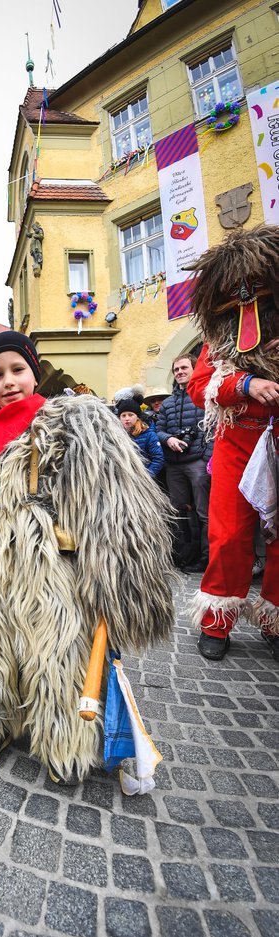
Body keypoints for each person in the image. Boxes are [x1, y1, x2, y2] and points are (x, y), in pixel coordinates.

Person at [0, 331, 174, 783]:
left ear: (33, 372)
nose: (8, 381)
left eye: (17, 370)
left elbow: (108, 496)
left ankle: (63, 740)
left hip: (52, 560)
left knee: (55, 648)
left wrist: (110, 571)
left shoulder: (68, 422)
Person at [186, 224, 279, 663]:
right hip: (235, 445)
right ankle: (217, 623)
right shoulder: (217, 341)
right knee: (228, 536)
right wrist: (246, 384)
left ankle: (274, 621)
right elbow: (200, 386)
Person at [156, 354, 212, 573]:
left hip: (197, 463)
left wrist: (205, 458)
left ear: (194, 369)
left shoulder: (205, 397)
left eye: (183, 368)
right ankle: (183, 554)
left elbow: (212, 429)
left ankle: (207, 558)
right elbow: (159, 429)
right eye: (176, 369)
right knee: (178, 511)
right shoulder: (168, 403)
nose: (179, 372)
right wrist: (168, 439)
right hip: (174, 465)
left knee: (203, 512)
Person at [115, 396, 164, 478]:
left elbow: (158, 459)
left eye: (131, 415)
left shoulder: (149, 434)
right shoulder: (116, 435)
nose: (127, 418)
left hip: (144, 480)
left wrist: (146, 478)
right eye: (123, 415)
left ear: (137, 417)